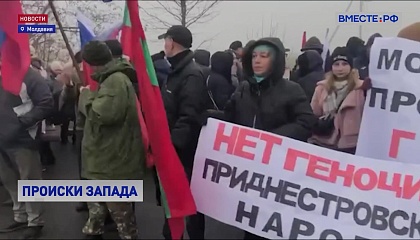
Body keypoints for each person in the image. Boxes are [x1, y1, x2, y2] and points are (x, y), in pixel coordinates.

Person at [201, 37, 316, 239]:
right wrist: (206, 116)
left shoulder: (291, 89)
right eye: (254, 56)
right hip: (249, 171)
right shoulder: (244, 88)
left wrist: (271, 140)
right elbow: (230, 116)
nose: (257, 60)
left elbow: (306, 122)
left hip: (277, 170)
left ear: (277, 60)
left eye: (264, 56)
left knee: (271, 224)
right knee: (250, 222)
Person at [78, 41, 145, 239]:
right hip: (103, 158)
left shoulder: (115, 80)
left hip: (112, 159)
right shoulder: (110, 79)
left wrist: (85, 97)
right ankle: (93, 230)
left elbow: (103, 115)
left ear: (92, 63)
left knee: (119, 210)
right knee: (97, 204)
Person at [157, 25, 208, 240]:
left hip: (183, 152)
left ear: (173, 42)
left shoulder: (191, 74)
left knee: (190, 201)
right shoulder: (176, 70)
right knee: (174, 198)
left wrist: (172, 145)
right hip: (173, 148)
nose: (164, 45)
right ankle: (171, 234)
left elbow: (189, 115)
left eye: (165, 40)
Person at [0, 55, 54, 239]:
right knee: (9, 180)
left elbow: (46, 103)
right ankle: (20, 216)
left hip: (24, 138)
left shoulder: (30, 76)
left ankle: (35, 221)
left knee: (30, 181)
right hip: (2, 139)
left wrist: (20, 123)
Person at [309, 47, 365, 155]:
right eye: (336, 64)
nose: (340, 68)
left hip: (351, 145)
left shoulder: (361, 88)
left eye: (344, 64)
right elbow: (313, 114)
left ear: (351, 66)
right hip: (323, 141)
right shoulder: (321, 88)